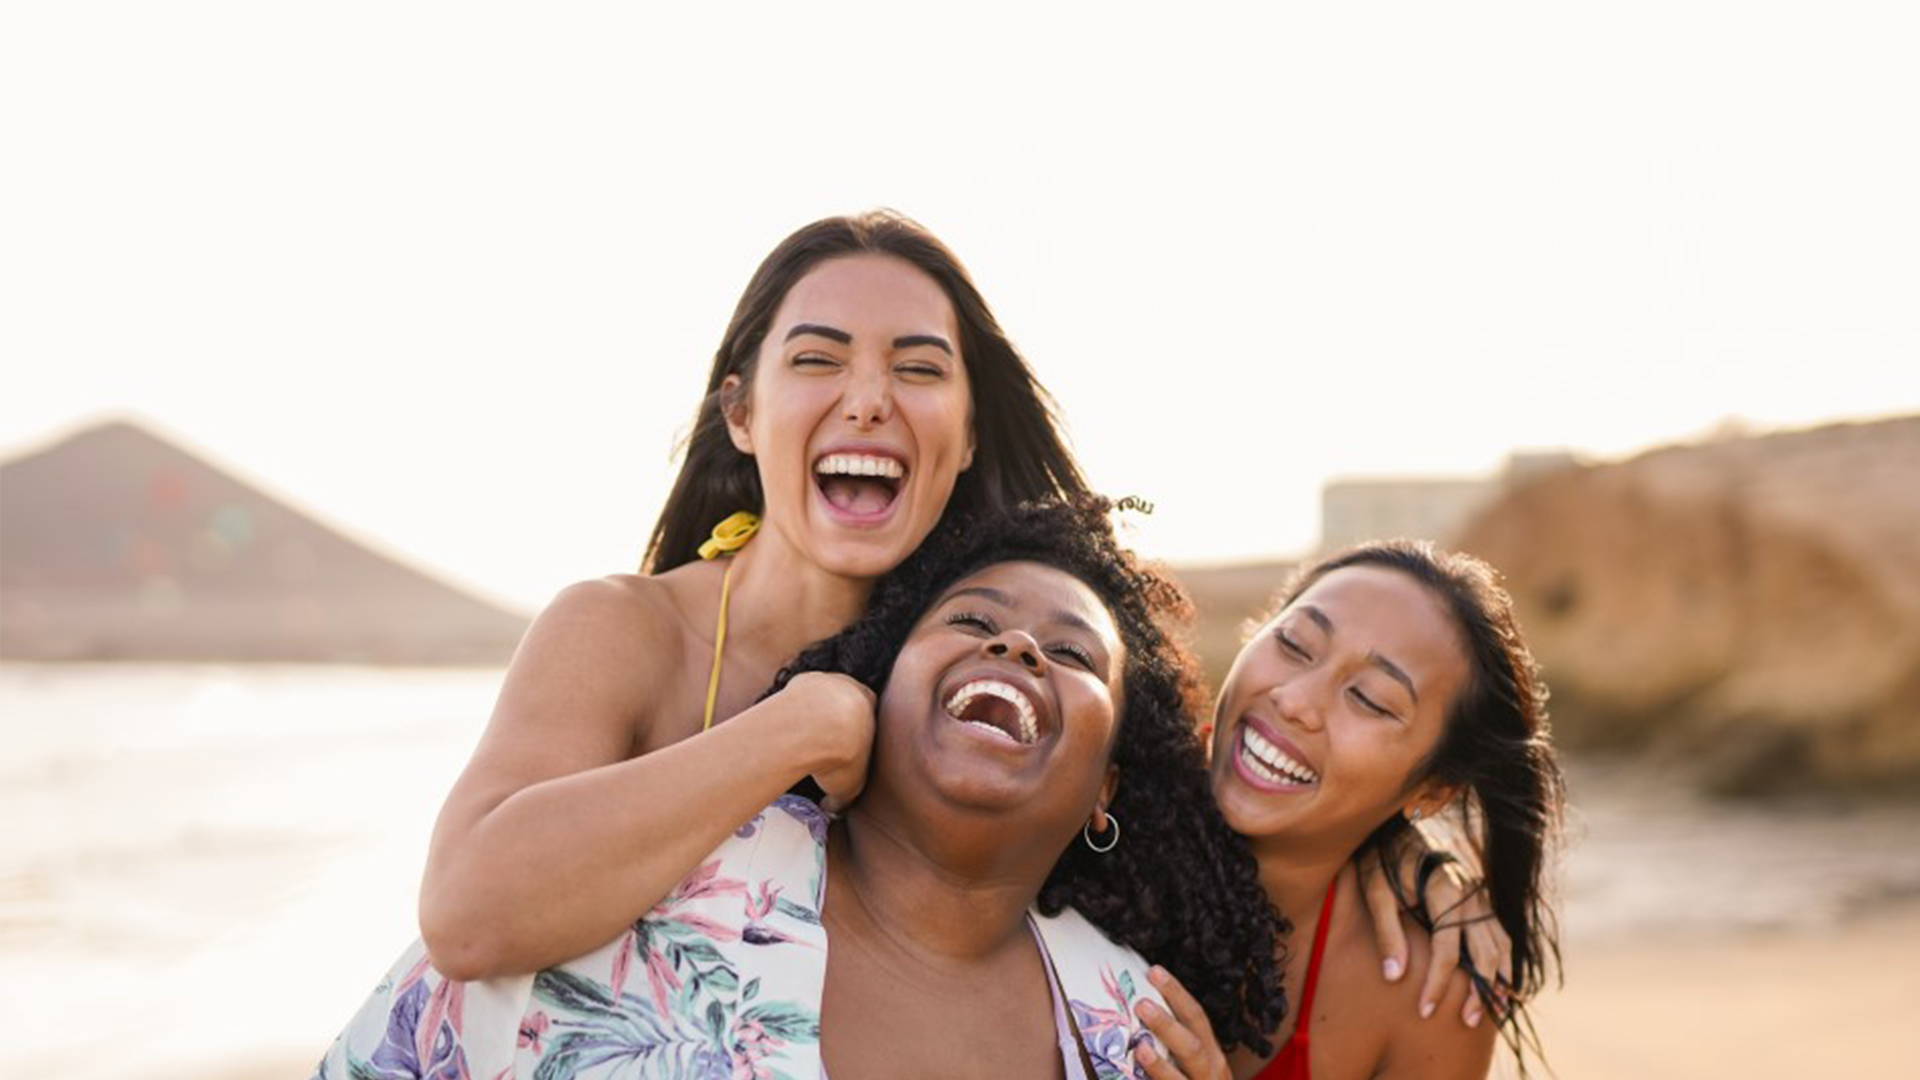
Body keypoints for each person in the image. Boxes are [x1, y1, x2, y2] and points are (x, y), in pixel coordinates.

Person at [413, 209, 1486, 1007]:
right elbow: (468, 913)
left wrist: (1407, 858)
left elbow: (1201, 816)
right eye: (818, 359)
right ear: (742, 412)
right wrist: (793, 729)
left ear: (967, 433)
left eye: (917, 369)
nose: (868, 396)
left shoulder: (984, 678)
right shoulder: (627, 631)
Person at [314, 499, 1287, 1079]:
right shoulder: (648, 876)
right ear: (879, 685)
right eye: (969, 620)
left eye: (1070, 652)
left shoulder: (1133, 1029)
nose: (1018, 645)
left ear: (1105, 786)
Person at [1131, 541, 1564, 1080]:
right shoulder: (1087, 803)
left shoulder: (1428, 993)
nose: (1296, 701)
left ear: (1431, 792)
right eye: (1294, 644)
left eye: (1371, 699)